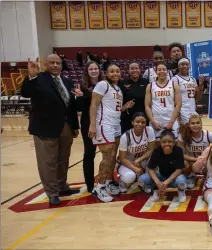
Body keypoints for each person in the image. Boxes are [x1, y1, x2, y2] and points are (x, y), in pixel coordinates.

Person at [20, 55, 80, 205]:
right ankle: (52, 192)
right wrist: (31, 76)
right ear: (45, 64)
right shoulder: (38, 79)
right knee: (48, 162)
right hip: (44, 127)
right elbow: (25, 92)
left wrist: (74, 126)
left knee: (63, 159)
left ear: (61, 65)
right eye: (51, 63)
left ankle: (62, 186)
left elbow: (70, 105)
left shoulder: (66, 80)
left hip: (65, 126)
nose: (55, 65)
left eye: (57, 63)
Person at [89, 64, 134, 202]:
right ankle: (99, 187)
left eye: (117, 71)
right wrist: (92, 125)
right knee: (107, 156)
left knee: (113, 156)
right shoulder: (103, 84)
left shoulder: (118, 89)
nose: (115, 73)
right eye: (112, 71)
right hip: (104, 125)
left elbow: (113, 108)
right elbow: (94, 105)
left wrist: (124, 107)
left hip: (115, 124)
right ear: (106, 73)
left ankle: (108, 182)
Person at [76, 61, 104, 193]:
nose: (93, 70)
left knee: (108, 153)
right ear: (87, 71)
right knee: (89, 154)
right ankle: (90, 184)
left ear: (99, 70)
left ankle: (107, 180)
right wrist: (81, 97)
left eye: (96, 68)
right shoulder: (82, 87)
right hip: (88, 124)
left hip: (105, 122)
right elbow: (79, 108)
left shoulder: (105, 84)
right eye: (91, 69)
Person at [138, 129, 188, 202]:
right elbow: (150, 169)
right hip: (161, 177)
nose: (167, 144)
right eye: (164, 142)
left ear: (174, 143)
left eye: (170, 142)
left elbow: (179, 170)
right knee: (143, 179)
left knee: (181, 180)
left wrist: (166, 182)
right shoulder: (157, 151)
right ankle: (155, 190)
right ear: (160, 143)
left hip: (174, 179)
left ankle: (181, 192)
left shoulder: (178, 150)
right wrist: (157, 182)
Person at [117, 113, 156, 192]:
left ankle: (144, 183)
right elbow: (122, 159)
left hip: (141, 160)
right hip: (127, 162)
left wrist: (139, 160)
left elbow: (151, 150)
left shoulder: (149, 130)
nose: (140, 124)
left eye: (143, 122)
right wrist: (134, 168)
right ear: (132, 122)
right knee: (130, 177)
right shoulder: (125, 136)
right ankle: (122, 181)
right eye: (137, 122)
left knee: (155, 160)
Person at [145, 63, 182, 147]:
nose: (161, 71)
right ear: (156, 72)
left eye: (164, 69)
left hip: (171, 120)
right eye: (159, 69)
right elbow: (147, 106)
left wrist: (172, 121)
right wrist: (153, 121)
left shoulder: (173, 85)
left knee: (173, 145)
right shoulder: (150, 86)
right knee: (157, 147)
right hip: (156, 121)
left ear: (167, 71)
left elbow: (178, 104)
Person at [178, 114, 212, 188]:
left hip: (205, 163)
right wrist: (196, 159)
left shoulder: (209, 135)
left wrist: (211, 158)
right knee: (182, 162)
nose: (195, 125)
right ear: (189, 125)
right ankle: (191, 177)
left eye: (197, 123)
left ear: (201, 124)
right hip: (191, 162)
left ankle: (209, 177)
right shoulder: (183, 135)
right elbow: (180, 154)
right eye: (193, 123)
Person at [171, 58, 203, 126]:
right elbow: (172, 99)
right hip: (182, 111)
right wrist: (178, 115)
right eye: (182, 64)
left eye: (187, 64)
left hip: (192, 110)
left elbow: (197, 98)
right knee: (185, 133)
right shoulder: (175, 79)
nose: (185, 66)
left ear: (189, 66)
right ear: (178, 66)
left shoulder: (193, 79)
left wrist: (200, 87)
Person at [119, 62, 149, 133]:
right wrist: (124, 107)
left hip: (143, 116)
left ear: (140, 70)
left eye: (136, 68)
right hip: (127, 117)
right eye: (132, 69)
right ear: (128, 71)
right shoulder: (122, 83)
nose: (134, 70)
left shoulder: (146, 82)